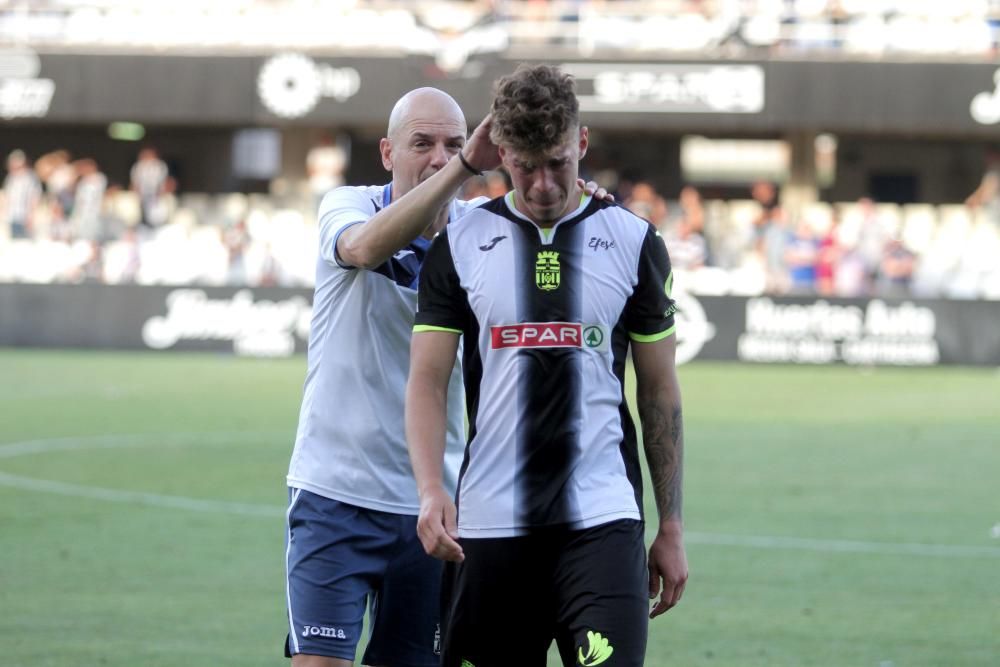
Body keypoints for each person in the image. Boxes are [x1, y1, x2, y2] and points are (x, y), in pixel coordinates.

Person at [284, 86, 610, 667]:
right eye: (422, 144)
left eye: (455, 143)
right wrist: (463, 168)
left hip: (436, 507)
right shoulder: (348, 206)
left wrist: (587, 204)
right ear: (387, 153)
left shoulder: (479, 235)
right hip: (335, 493)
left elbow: (559, 238)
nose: (439, 156)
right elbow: (361, 249)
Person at [406, 64, 687, 667]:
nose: (540, 184)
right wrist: (431, 490)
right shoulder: (460, 242)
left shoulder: (635, 241)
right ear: (500, 152)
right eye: (524, 166)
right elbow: (428, 380)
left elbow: (660, 391)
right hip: (487, 527)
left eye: (558, 163)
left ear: (581, 144)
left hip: (603, 521)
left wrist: (671, 525)